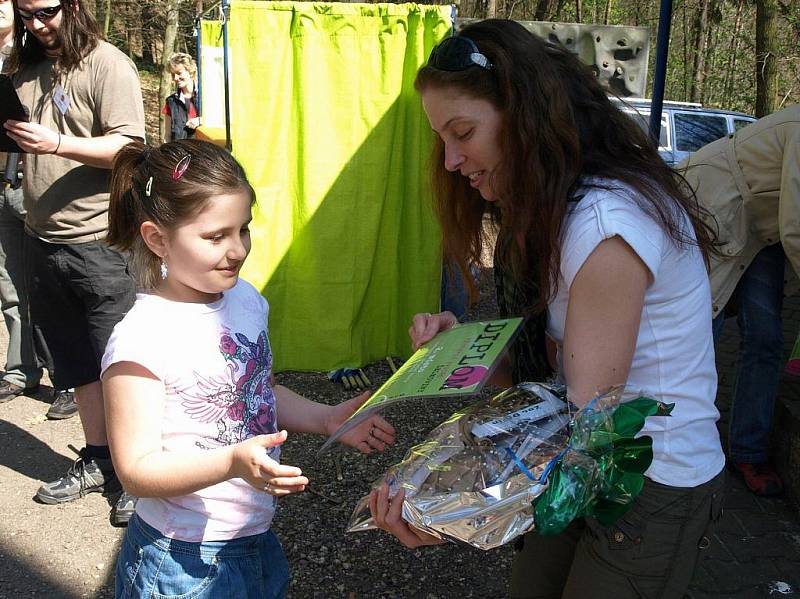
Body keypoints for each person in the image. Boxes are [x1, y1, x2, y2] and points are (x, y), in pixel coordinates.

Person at [369, 20, 726, 599]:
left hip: (649, 483)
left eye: (463, 132)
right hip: (585, 463)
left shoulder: (606, 224)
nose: (453, 160)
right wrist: (465, 350)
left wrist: (448, 511)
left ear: (526, 116)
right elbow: (545, 377)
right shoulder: (547, 211)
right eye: (442, 140)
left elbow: (592, 431)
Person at [102, 138, 395, 598]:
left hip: (254, 539)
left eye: (244, 229)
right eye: (215, 236)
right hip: (181, 558)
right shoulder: (142, 339)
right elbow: (136, 470)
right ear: (157, 239)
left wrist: (326, 417)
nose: (237, 249)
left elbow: (258, 391)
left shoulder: (245, 299)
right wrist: (231, 462)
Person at [3, 0, 145, 524]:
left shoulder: (108, 64)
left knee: (122, 366)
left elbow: (132, 147)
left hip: (101, 245)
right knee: (77, 364)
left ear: (75, 5)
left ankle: (138, 474)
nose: (37, 25)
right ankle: (99, 459)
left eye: (46, 11)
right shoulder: (26, 69)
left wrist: (58, 143)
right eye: (26, 15)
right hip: (41, 238)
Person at [678, 105, 800, 497]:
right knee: (699, 329)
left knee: (765, 340)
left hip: (762, 232)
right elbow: (797, 226)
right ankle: (675, 443)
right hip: (713, 208)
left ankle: (748, 450)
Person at [0, 0, 76, 418]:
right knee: (11, 285)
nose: (37, 22)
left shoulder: (47, 59)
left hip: (40, 185)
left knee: (51, 289)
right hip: (5, 182)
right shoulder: (20, 63)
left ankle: (68, 378)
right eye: (30, 13)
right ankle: (20, 369)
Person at [162, 52, 200, 143]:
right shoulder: (171, 102)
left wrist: (201, 121)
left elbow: (220, 124)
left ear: (190, 72)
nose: (175, 78)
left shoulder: (206, 97)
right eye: (173, 74)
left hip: (203, 153)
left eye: (179, 73)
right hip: (179, 154)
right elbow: (167, 136)